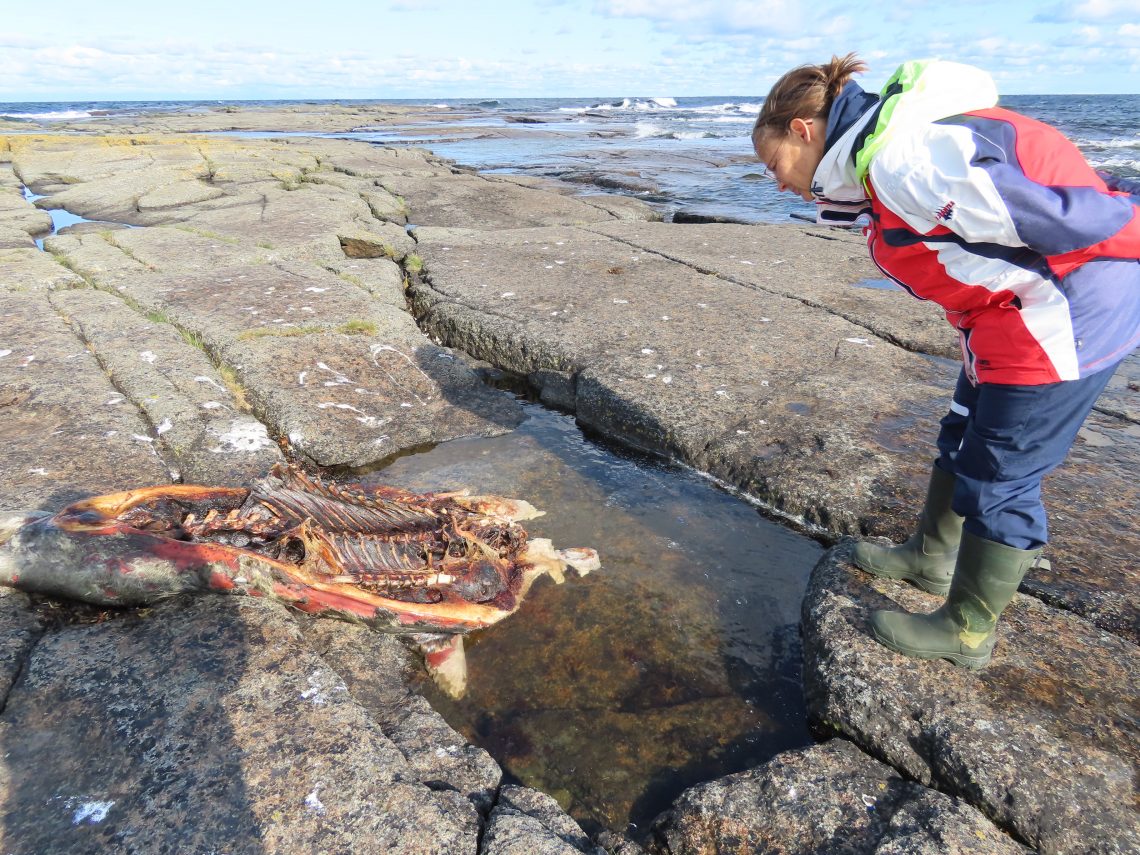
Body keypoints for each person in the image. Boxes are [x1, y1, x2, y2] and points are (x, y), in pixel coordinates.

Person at [751, 54, 1140, 668]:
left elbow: (1063, 219)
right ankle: (931, 557)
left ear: (804, 130)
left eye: (774, 165)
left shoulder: (904, 162)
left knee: (1001, 473)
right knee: (961, 434)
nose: (776, 183)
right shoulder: (880, 166)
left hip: (1061, 316)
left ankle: (967, 631)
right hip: (1003, 317)